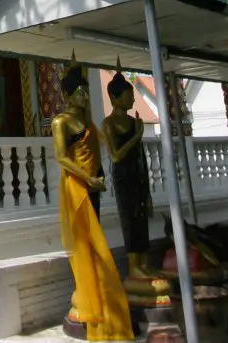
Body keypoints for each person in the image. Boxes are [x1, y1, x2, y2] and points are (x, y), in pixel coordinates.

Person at [53, 57, 134, 342]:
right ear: (67, 94)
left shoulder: (87, 121)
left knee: (96, 245)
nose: (86, 95)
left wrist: (97, 177)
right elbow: (62, 158)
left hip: (93, 186)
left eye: (87, 90)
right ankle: (87, 298)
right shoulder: (61, 121)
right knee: (84, 244)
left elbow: (104, 150)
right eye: (80, 91)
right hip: (77, 188)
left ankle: (99, 300)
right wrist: (89, 179)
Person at [101, 67, 154, 282]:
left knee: (142, 219)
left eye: (132, 95)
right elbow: (115, 156)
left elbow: (140, 156)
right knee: (130, 219)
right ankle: (134, 266)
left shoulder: (135, 122)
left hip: (138, 175)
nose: (132, 99)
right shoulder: (109, 123)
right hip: (123, 177)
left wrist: (148, 191)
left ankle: (144, 263)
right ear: (114, 98)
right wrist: (136, 136)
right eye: (128, 95)